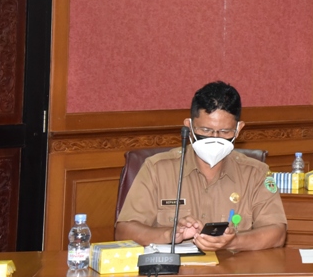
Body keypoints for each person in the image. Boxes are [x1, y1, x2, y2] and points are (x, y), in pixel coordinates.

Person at [116, 81, 287, 251]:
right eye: (205, 130)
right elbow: (123, 232)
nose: (214, 138)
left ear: (238, 129)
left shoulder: (256, 173)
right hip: (175, 268)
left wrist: (233, 242)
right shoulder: (157, 169)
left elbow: (277, 233)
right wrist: (170, 234)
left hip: (233, 267)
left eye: (224, 131)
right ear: (189, 126)